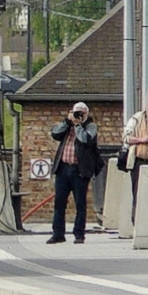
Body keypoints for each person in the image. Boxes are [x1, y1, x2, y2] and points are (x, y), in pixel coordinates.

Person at [47, 101, 100, 245]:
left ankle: (79, 234)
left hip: (79, 170)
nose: (78, 115)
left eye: (81, 113)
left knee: (80, 204)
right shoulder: (67, 126)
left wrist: (78, 125)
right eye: (76, 112)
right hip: (63, 168)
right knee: (59, 203)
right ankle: (58, 234)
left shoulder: (91, 126)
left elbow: (85, 140)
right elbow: (55, 133)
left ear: (86, 114)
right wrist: (67, 121)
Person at [123, 90, 148, 225]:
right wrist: (143, 139)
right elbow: (126, 138)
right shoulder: (137, 118)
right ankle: (137, 223)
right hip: (139, 161)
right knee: (137, 193)